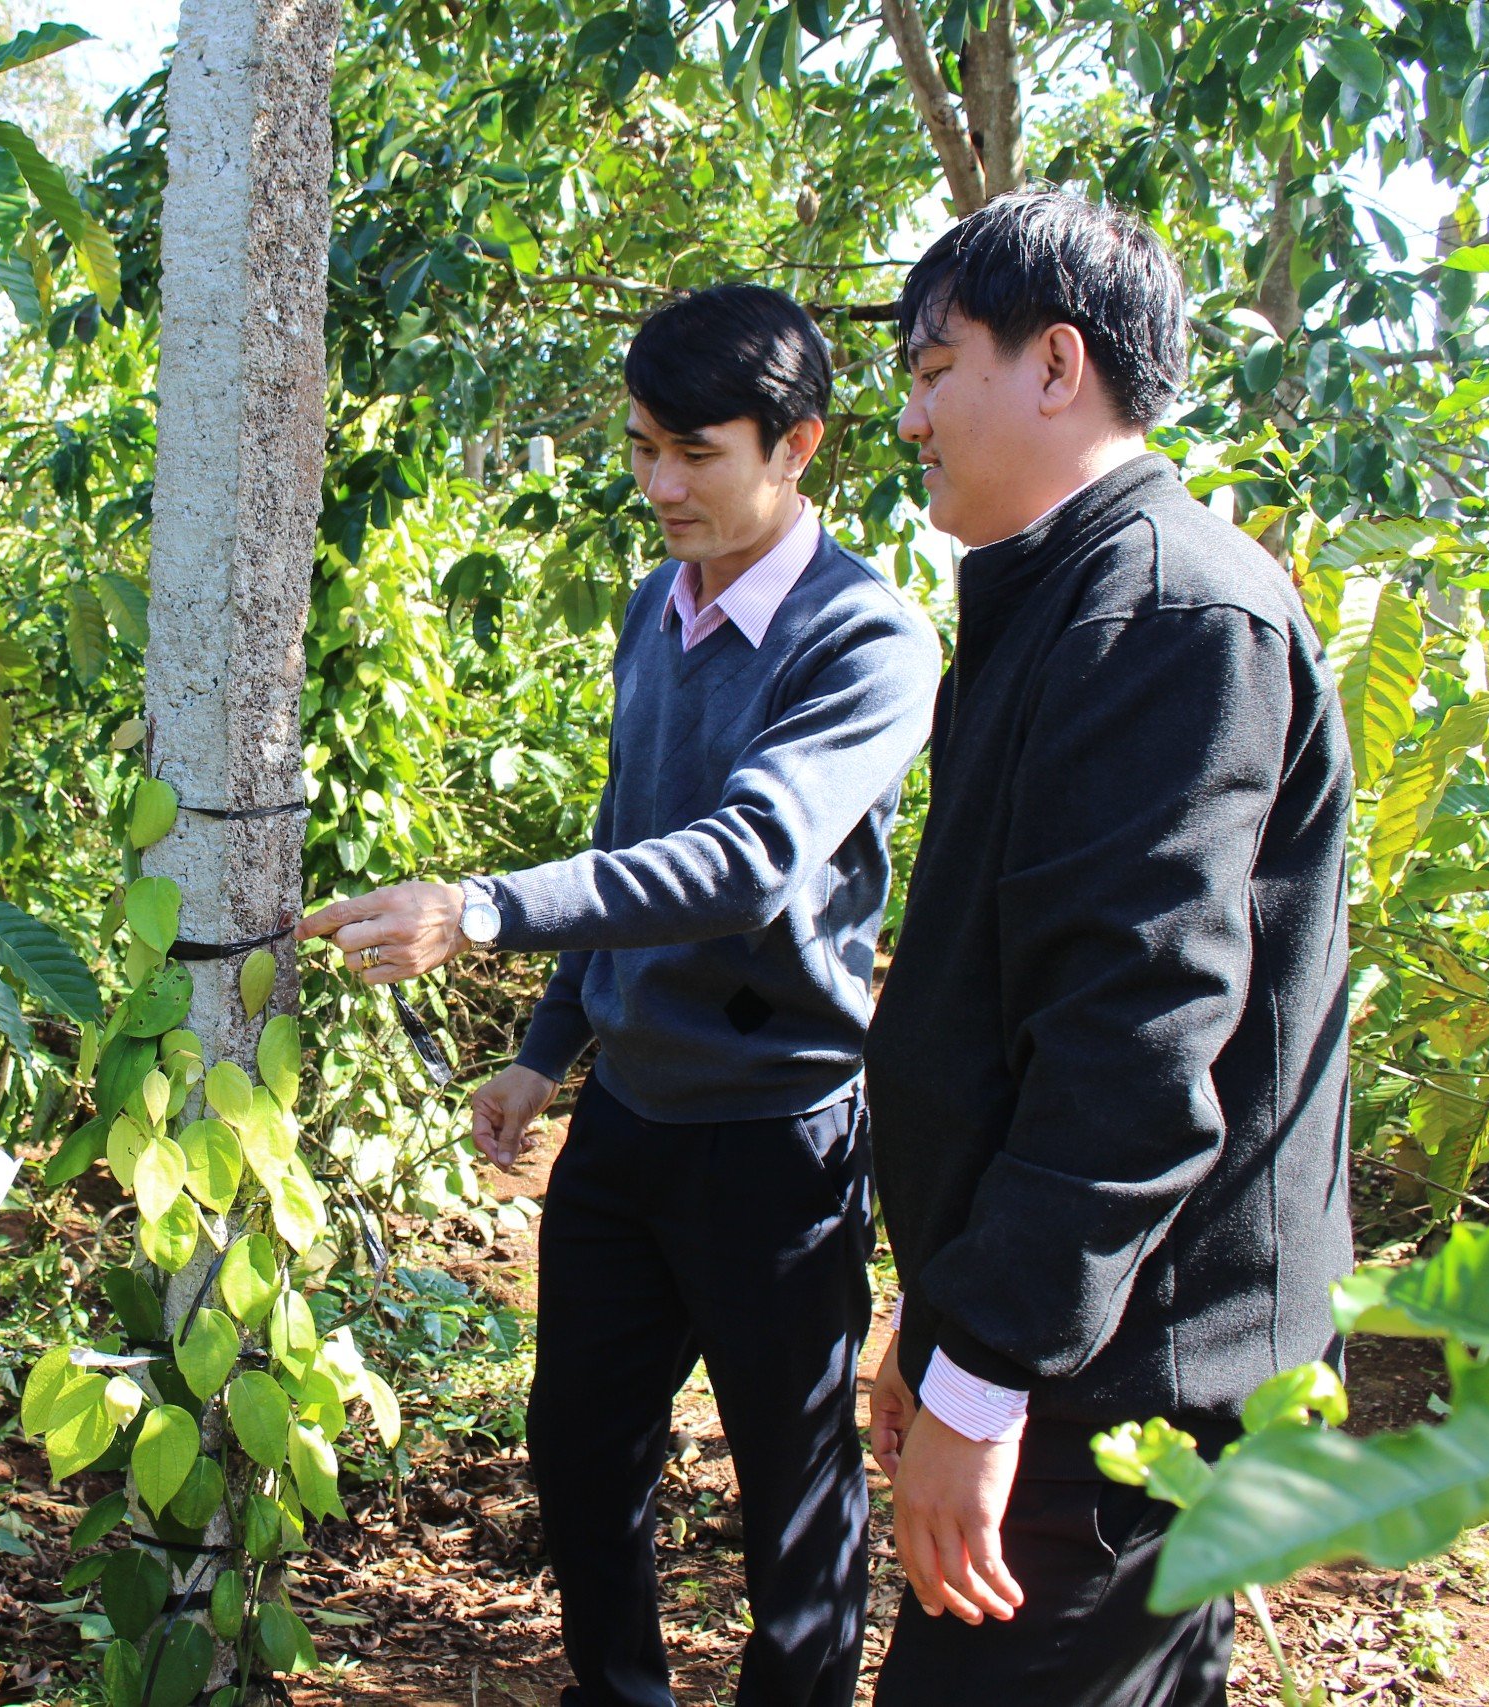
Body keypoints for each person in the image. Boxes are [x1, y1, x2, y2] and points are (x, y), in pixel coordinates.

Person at [297, 284, 940, 1706]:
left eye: (696, 453)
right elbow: (629, 822)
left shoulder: (866, 641)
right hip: (633, 1119)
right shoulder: (659, 605)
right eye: (644, 446)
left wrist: (481, 914)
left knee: (794, 1499)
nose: (660, 485)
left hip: (779, 1137)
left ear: (799, 445)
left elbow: (745, 856)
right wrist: (546, 1048)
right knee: (583, 1450)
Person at [862, 190, 1354, 1705]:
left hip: (1122, 1376)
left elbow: (1133, 1052)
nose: (913, 417)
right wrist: (939, 1315)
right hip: (1068, 1337)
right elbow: (1019, 1008)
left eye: (939, 370)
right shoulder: (1076, 596)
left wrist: (987, 1370)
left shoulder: (1164, 614)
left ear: (1057, 364)